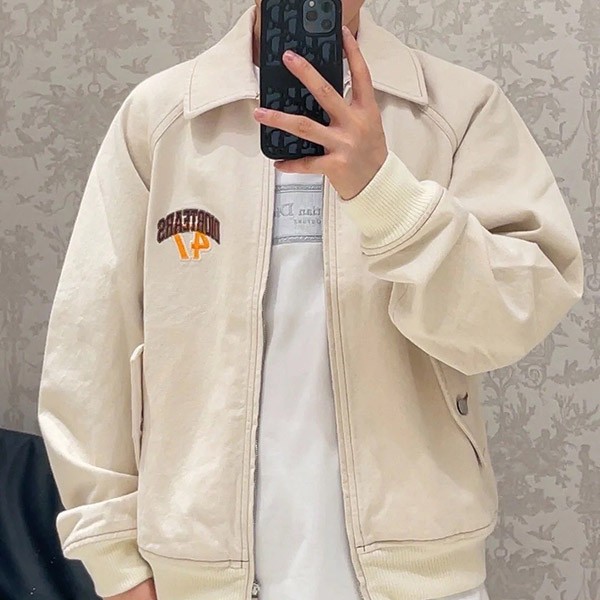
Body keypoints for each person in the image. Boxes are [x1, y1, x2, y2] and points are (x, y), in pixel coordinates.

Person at [37, 1, 583, 600]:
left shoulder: (459, 110)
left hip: (420, 579)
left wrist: (384, 192)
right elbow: (91, 345)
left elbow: (509, 318)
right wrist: (114, 560)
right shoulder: (162, 120)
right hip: (199, 578)